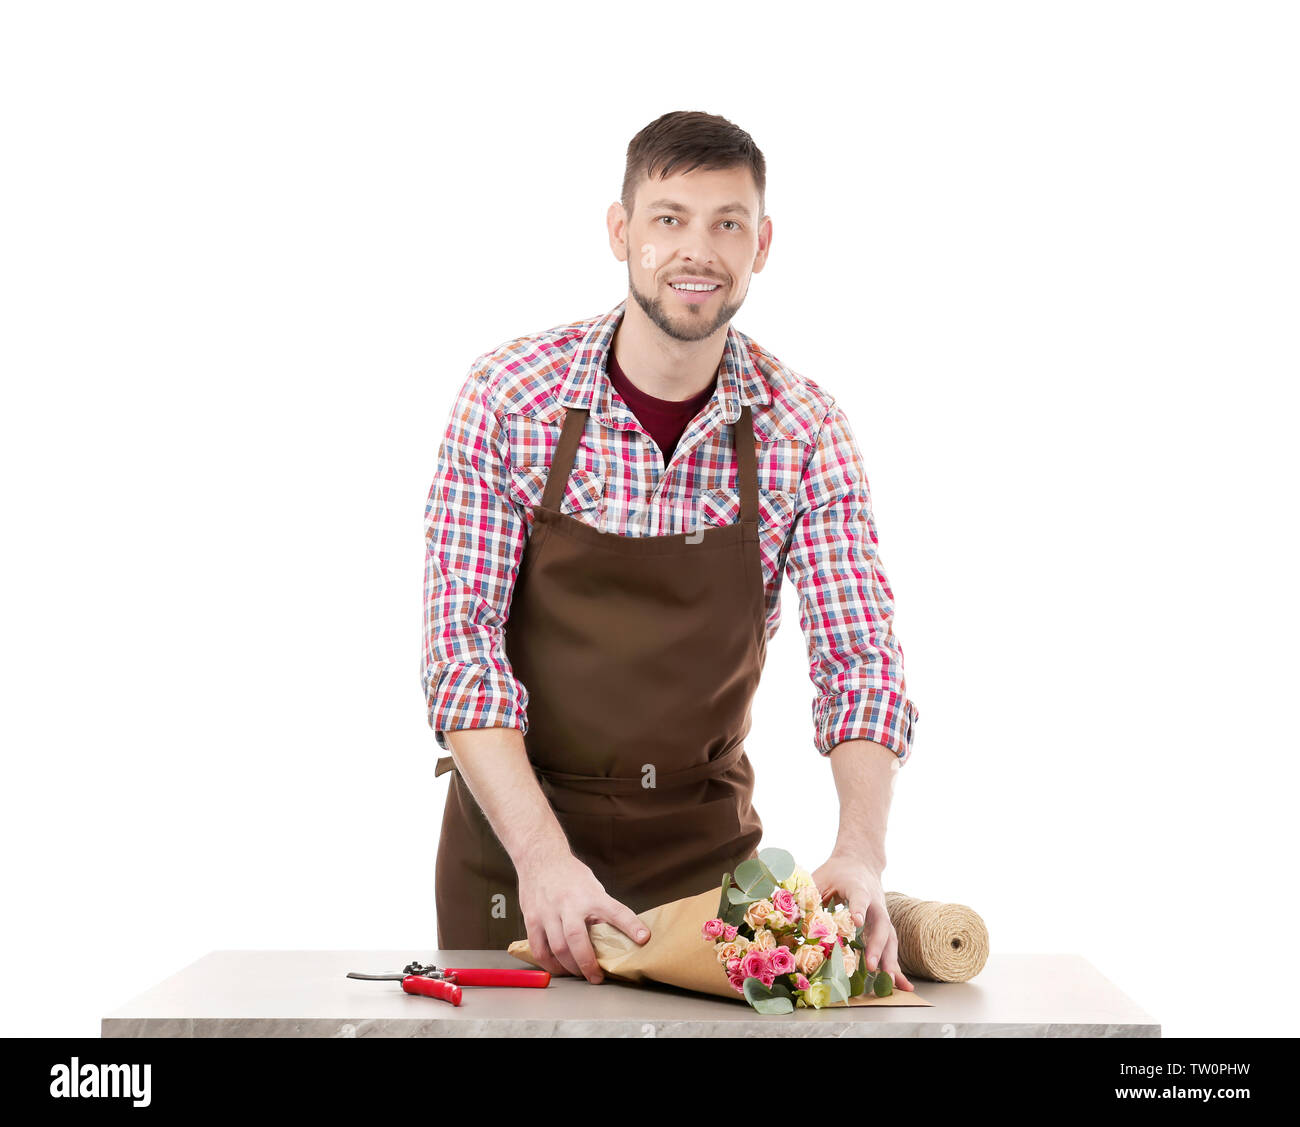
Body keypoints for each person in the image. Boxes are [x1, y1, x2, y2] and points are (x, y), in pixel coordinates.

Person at [422, 110, 919, 989]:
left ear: (761, 244)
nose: (700, 249)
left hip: (708, 870)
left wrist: (861, 852)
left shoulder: (805, 428)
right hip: (515, 857)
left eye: (728, 222)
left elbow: (863, 659)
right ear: (621, 231)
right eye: (669, 218)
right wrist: (542, 857)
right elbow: (460, 651)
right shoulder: (508, 399)